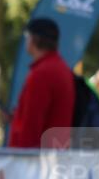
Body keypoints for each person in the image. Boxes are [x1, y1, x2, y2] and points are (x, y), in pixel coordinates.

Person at [8, 18, 76, 148]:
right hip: (53, 153)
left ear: (34, 39)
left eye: (27, 37)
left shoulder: (42, 73)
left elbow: (32, 125)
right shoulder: (60, 67)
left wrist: (19, 158)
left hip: (36, 160)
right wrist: (17, 117)